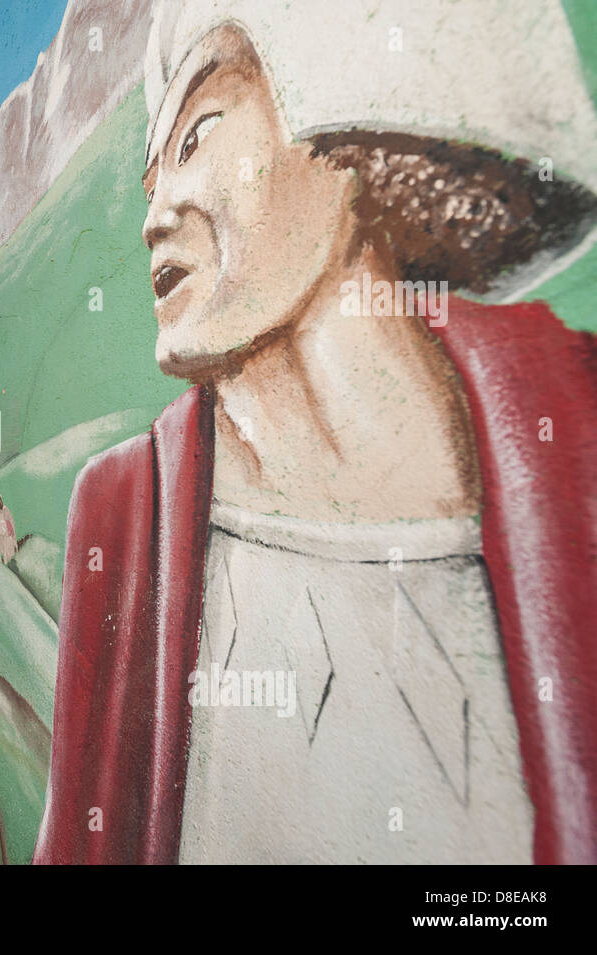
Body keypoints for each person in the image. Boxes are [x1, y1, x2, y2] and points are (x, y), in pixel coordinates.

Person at [37, 2, 597, 865]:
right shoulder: (120, 511)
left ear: (349, 125)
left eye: (199, 135)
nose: (153, 219)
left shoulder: (577, 426)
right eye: (154, 178)